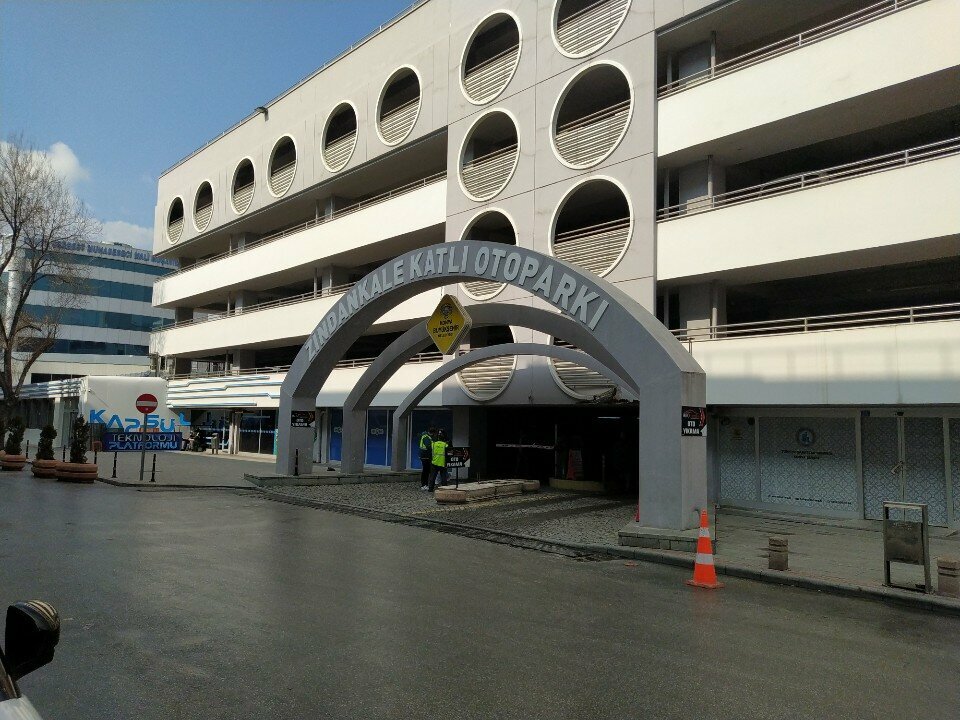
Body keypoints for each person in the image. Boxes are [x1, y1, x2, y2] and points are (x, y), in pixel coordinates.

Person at [418, 426, 435, 491]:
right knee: (425, 471)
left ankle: (425, 484)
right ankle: (424, 485)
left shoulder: (426, 436)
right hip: (425, 456)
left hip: (424, 456)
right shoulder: (426, 437)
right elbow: (429, 447)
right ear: (432, 433)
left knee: (426, 471)